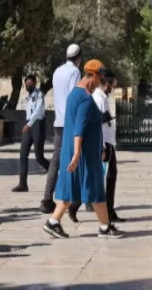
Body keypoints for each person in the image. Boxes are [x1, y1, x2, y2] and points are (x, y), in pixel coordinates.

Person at [42, 60, 123, 240]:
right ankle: (104, 226)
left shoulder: (74, 95)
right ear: (92, 76)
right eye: (99, 78)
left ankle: (53, 222)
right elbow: (79, 128)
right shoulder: (86, 99)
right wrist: (78, 154)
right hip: (84, 153)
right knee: (95, 187)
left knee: (73, 187)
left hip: (72, 149)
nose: (100, 82)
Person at [41, 44, 82, 213]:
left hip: (58, 121)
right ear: (78, 58)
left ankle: (47, 198)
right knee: (76, 158)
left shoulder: (57, 71)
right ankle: (76, 199)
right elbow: (74, 97)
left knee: (55, 160)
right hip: (70, 123)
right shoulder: (75, 72)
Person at [94, 72, 124, 223]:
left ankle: (110, 210)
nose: (114, 87)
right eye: (113, 85)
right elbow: (96, 121)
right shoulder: (99, 98)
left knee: (110, 176)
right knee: (109, 177)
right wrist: (102, 146)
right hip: (105, 142)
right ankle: (109, 211)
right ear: (107, 84)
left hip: (108, 141)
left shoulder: (103, 98)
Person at [13, 74, 49, 193]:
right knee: (23, 154)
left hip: (37, 124)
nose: (28, 85)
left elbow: (38, 111)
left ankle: (53, 173)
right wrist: (27, 124)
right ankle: (22, 184)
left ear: (34, 83)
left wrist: (29, 125)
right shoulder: (27, 96)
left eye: (30, 83)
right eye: (26, 83)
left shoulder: (39, 94)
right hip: (29, 124)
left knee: (39, 157)